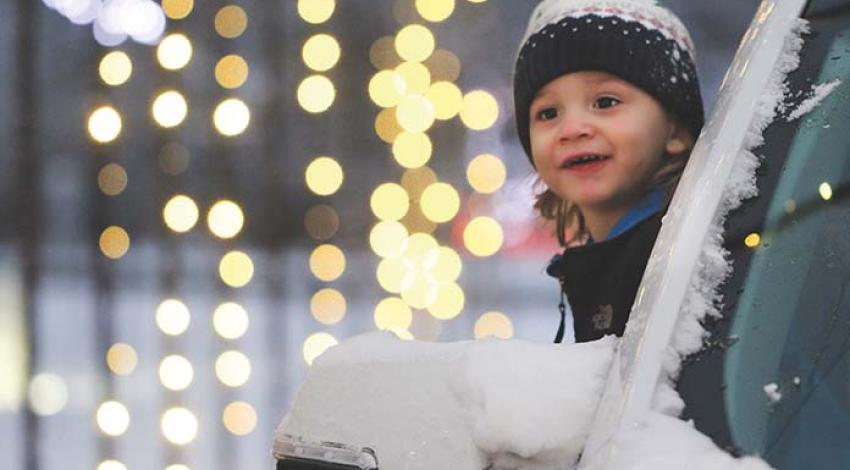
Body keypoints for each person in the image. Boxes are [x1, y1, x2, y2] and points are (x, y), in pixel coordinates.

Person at [513, 0, 705, 343]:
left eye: (604, 102)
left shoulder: (684, 255)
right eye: (548, 113)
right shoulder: (606, 255)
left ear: (674, 131)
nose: (571, 129)